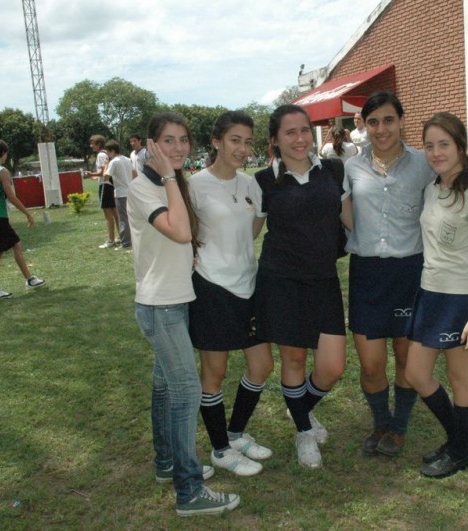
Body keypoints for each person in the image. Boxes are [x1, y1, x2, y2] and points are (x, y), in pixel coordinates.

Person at [128, 111, 239, 516]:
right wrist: (171, 179)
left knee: (164, 387)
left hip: (178, 299)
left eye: (183, 140)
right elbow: (179, 231)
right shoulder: (144, 187)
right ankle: (189, 491)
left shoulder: (174, 183)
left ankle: (167, 463)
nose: (177, 148)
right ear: (151, 145)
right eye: (168, 141)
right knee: (186, 392)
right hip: (160, 305)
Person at [253, 104, 352, 468]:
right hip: (280, 280)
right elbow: (246, 232)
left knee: (332, 367)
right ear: (275, 140)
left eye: (304, 130)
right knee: (293, 359)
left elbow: (352, 220)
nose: (299, 139)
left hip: (323, 280)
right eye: (290, 132)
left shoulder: (333, 171)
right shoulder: (263, 181)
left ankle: (300, 410)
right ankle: (303, 432)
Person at [406, 112, 468, 479]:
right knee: (416, 373)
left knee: (461, 378)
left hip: (461, 298)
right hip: (430, 293)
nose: (436, 152)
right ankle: (460, 438)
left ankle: (459, 452)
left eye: (444, 144)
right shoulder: (432, 188)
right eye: (429, 145)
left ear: (460, 146)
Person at [343, 91, 433, 458]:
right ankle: (380, 421)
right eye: (373, 122)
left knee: (407, 357)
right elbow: (341, 209)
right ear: (364, 125)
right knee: (370, 363)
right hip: (366, 272)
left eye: (388, 120)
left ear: (401, 121)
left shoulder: (424, 164)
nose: (381, 129)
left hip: (409, 271)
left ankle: (398, 427)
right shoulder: (351, 167)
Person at [188, 111, 273, 477]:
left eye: (247, 141)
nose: (242, 148)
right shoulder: (194, 185)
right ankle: (220, 449)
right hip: (211, 287)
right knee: (215, 371)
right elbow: (186, 233)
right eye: (235, 140)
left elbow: (254, 227)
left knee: (262, 365)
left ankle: (235, 434)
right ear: (216, 141)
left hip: (248, 284)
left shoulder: (251, 184)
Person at [0, 139, 46, 301]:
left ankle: (29, 279)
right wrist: (27, 213)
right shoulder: (1, 171)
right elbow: (11, 196)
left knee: (16, 244)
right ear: (3, 153)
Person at [88, 135, 118, 249]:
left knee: (107, 214)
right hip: (111, 185)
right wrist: (96, 176)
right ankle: (121, 236)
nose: (91, 146)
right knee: (115, 212)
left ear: (99, 144)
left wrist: (92, 174)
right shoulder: (107, 153)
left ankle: (111, 240)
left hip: (105, 186)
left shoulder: (101, 155)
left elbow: (102, 172)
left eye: (93, 144)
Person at [104, 140, 134, 249]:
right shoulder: (128, 159)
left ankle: (126, 242)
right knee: (130, 217)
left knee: (123, 219)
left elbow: (105, 177)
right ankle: (132, 239)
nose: (108, 155)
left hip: (121, 193)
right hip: (130, 191)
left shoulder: (114, 162)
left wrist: (106, 165)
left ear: (112, 151)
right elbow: (134, 173)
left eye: (108, 152)